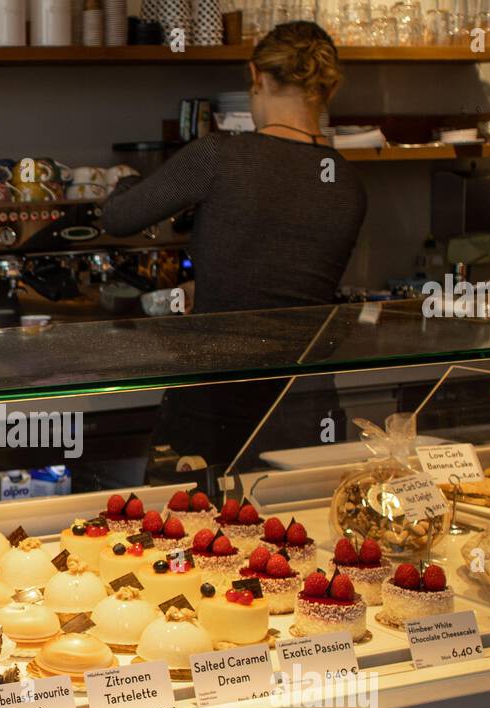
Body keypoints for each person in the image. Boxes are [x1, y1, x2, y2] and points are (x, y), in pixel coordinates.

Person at [102, 20, 368, 468]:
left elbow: (119, 217)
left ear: (256, 76)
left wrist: (124, 178)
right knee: (296, 532)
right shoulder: (346, 181)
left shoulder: (219, 156)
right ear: (331, 87)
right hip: (303, 404)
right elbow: (278, 275)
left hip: (216, 399)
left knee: (190, 533)